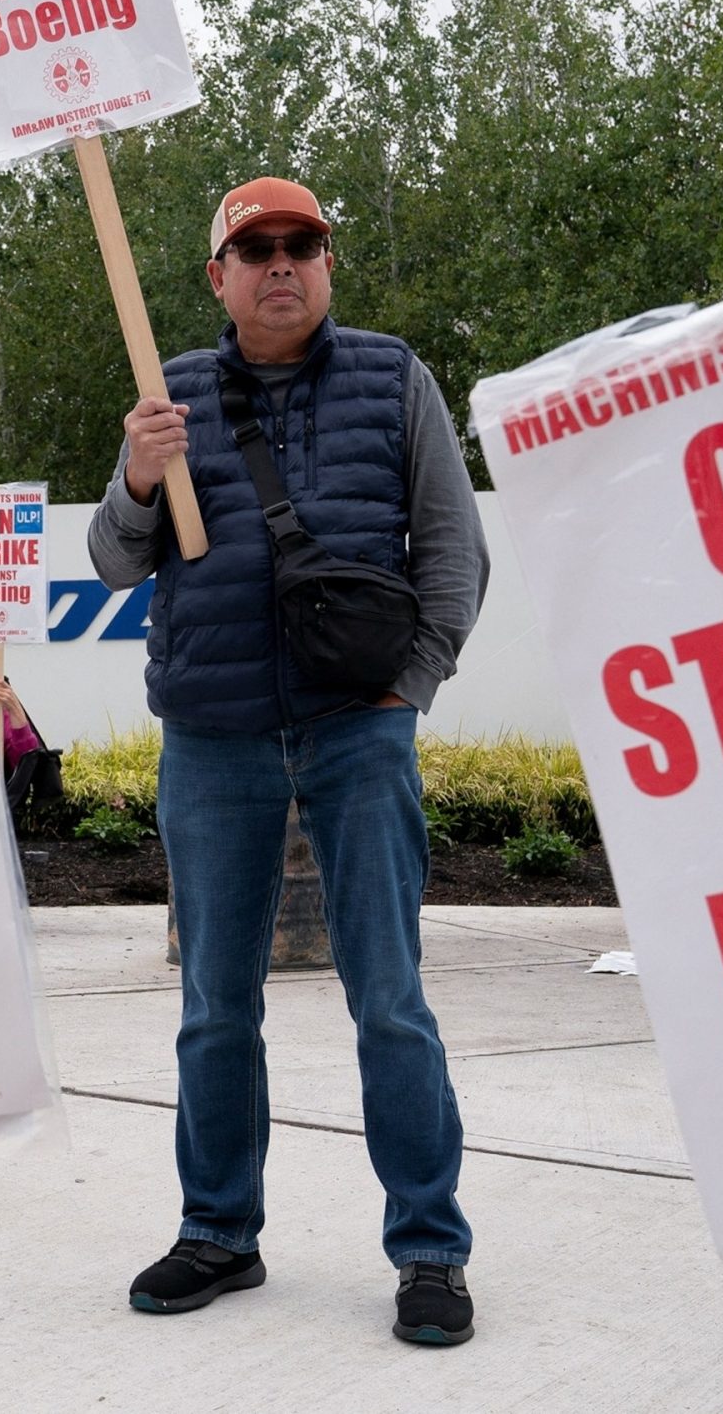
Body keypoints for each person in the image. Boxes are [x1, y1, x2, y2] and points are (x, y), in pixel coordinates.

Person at [89, 177, 490, 1345]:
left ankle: (428, 1249)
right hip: (211, 737)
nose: (279, 262)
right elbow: (116, 564)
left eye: (300, 243)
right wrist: (132, 471)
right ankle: (219, 1230)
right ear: (217, 276)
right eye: (253, 248)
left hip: (356, 730)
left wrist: (405, 691)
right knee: (215, 1006)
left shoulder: (393, 376)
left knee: (390, 1002)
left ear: (326, 263)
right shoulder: (168, 397)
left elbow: (452, 548)